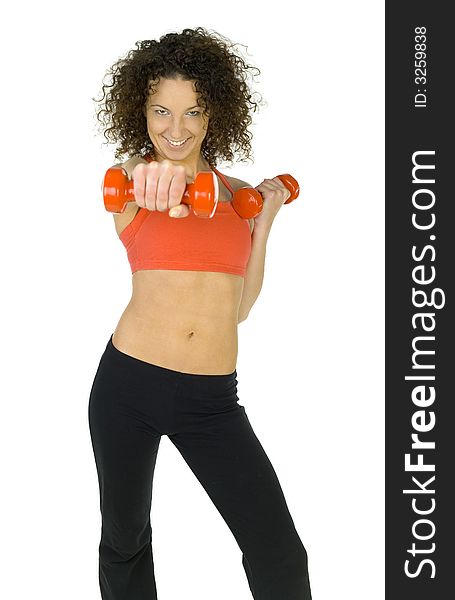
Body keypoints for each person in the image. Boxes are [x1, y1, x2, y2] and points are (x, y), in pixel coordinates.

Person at [89, 26, 312, 600]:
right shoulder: (135, 184)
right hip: (127, 385)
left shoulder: (234, 196)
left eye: (193, 112)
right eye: (161, 111)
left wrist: (262, 223)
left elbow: (237, 308)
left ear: (215, 113)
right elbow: (145, 181)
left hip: (212, 400)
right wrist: (158, 179)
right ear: (140, 112)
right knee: (125, 538)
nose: (176, 129)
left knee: (278, 550)